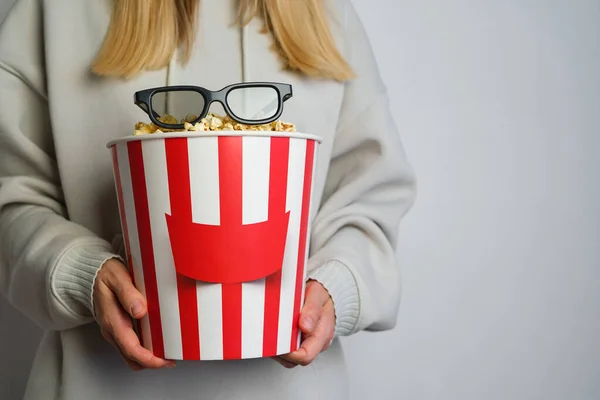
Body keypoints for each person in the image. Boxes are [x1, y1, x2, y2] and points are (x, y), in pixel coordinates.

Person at [0, 0, 416, 399]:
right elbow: (11, 195)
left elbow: (371, 200)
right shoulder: (53, 9)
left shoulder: (327, 13)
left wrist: (335, 285)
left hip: (291, 388)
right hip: (92, 383)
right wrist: (79, 272)